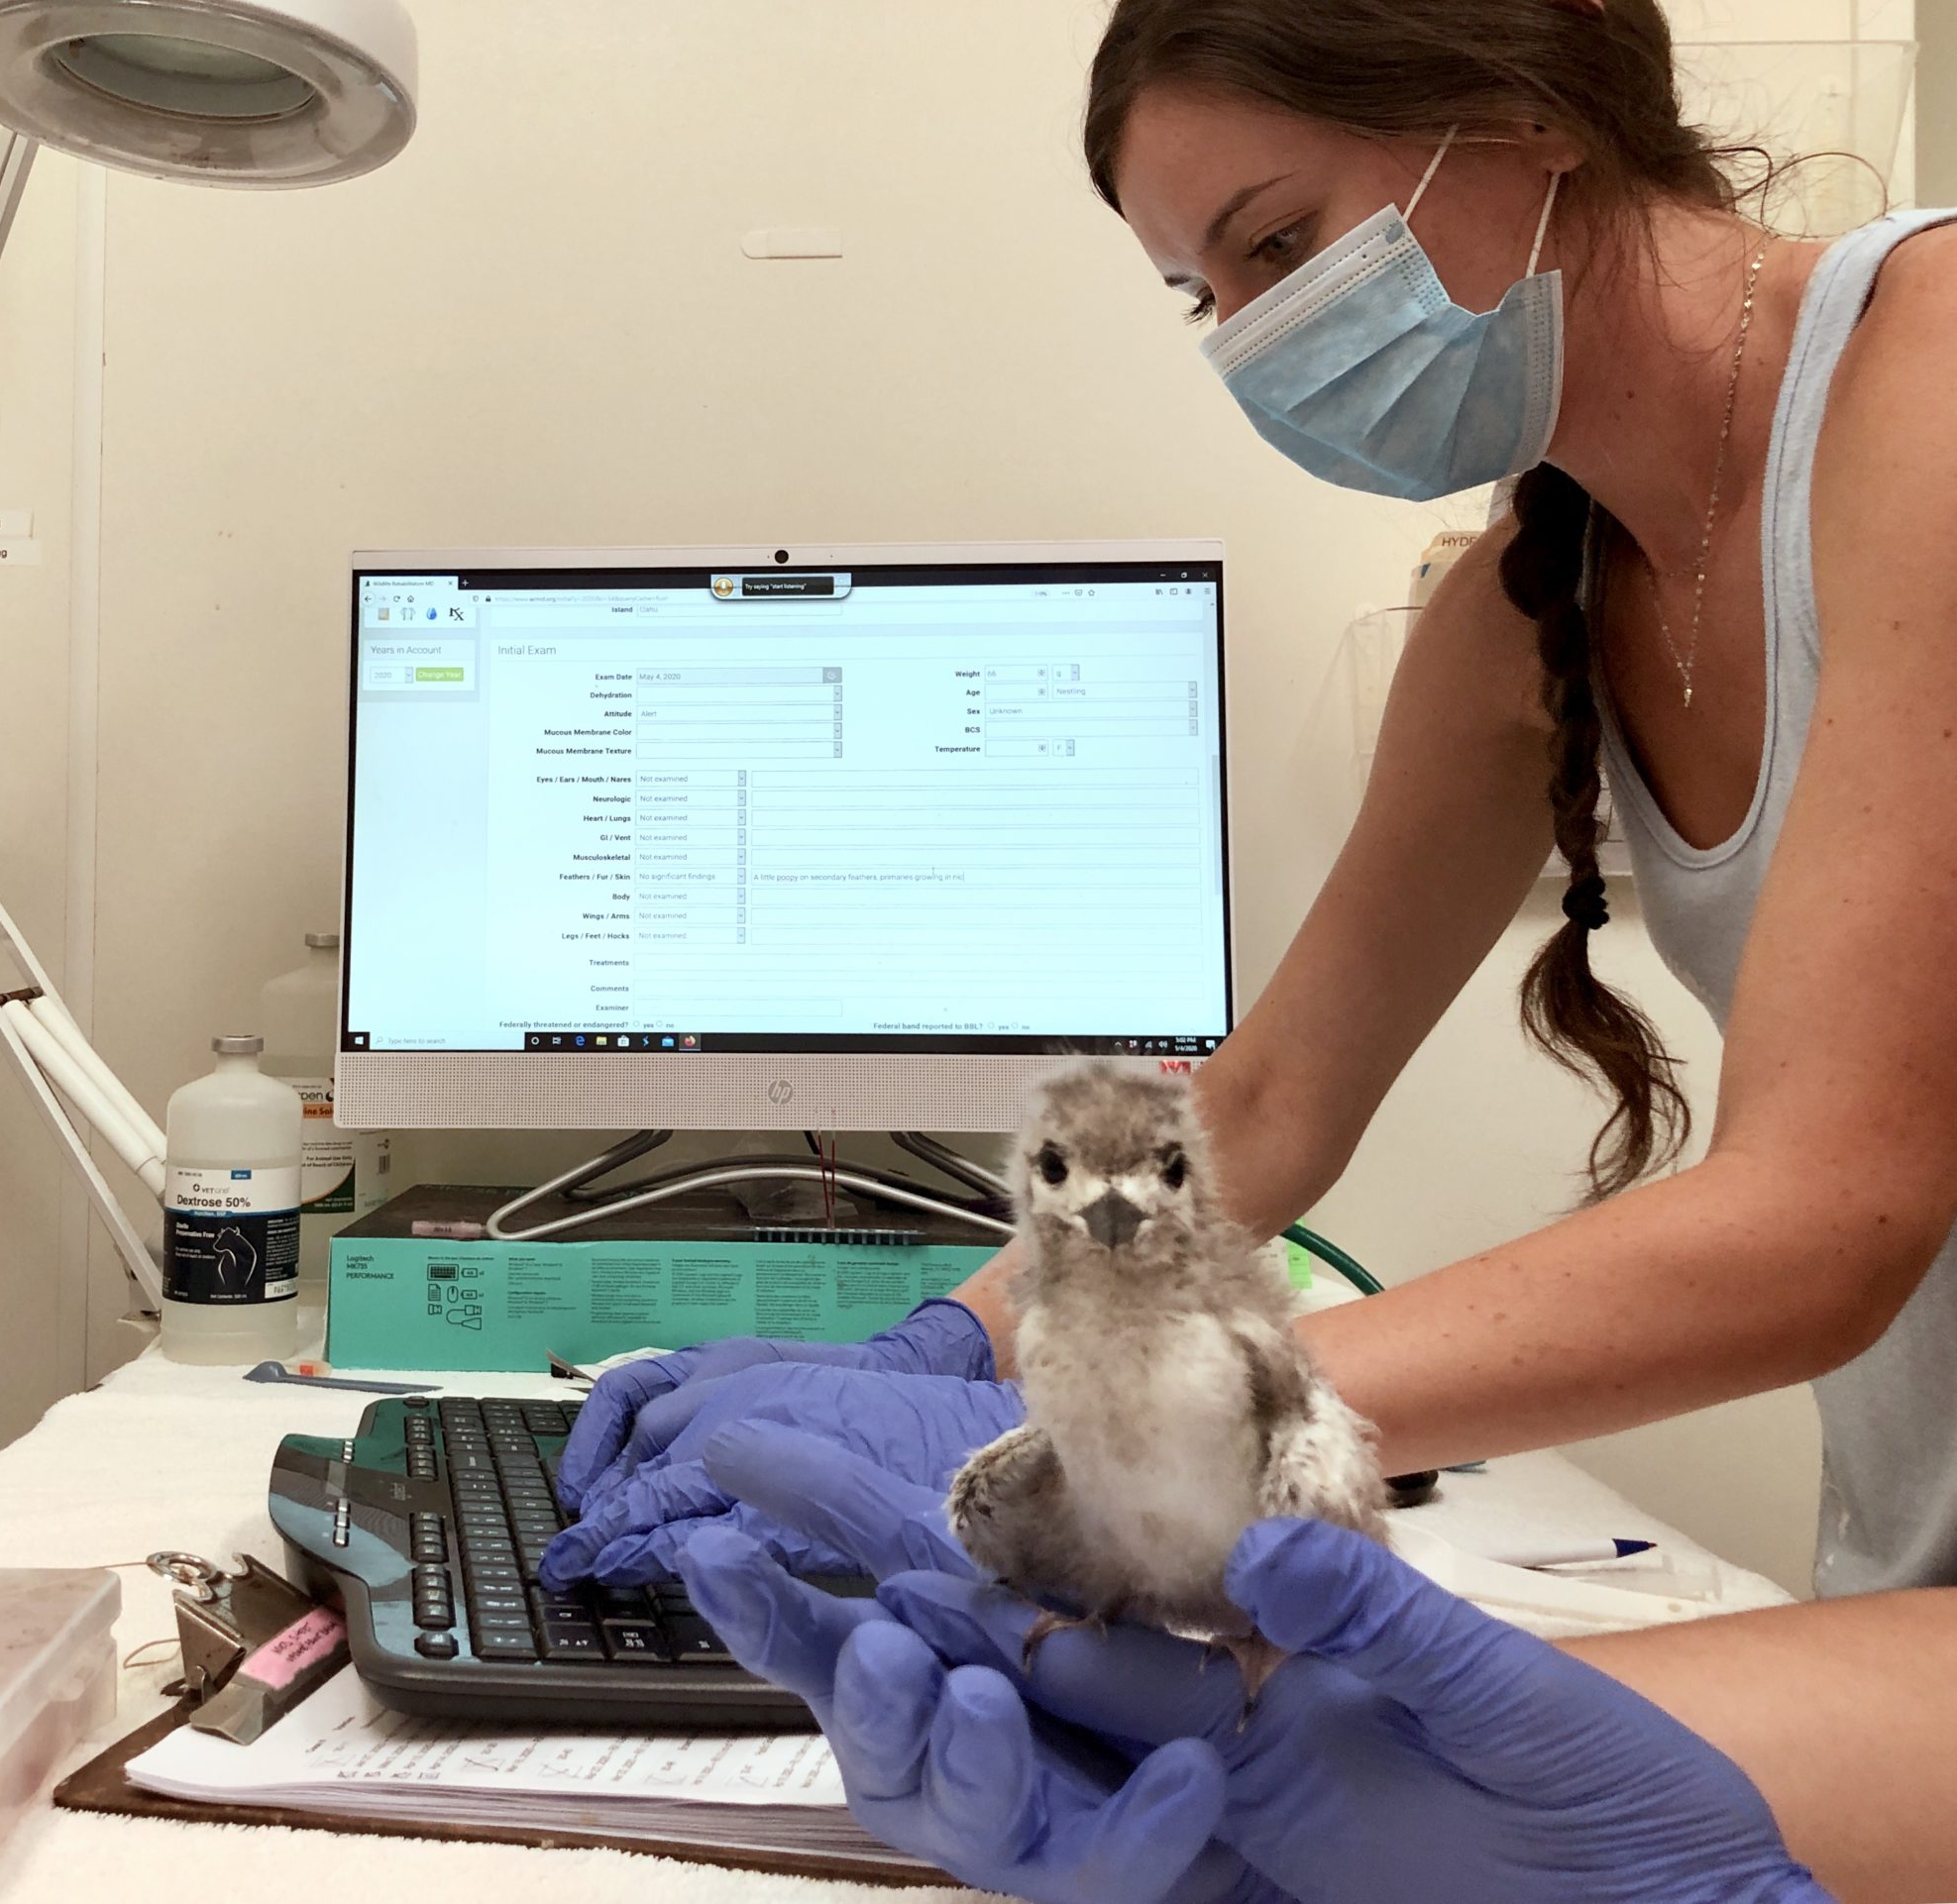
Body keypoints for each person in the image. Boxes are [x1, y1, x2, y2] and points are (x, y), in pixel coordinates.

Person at [536, 0, 1957, 1895]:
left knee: (1330, 1798)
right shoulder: (1534, 603)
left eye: (1279, 244)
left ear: (1524, 109)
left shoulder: (1930, 384)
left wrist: (1134, 1412)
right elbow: (1269, 1100)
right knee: (1233, 1782)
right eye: (1210, 295)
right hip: (1921, 1591)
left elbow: (1822, 1223)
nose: (1264, 337)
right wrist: (948, 1339)